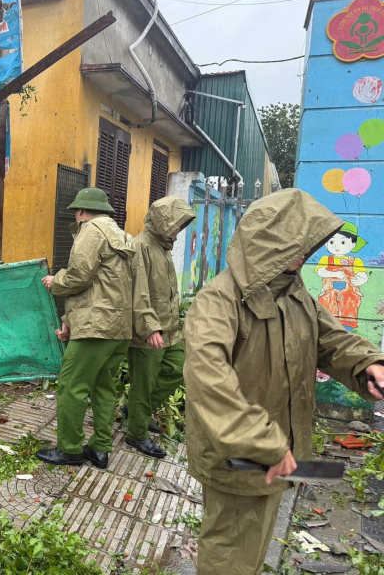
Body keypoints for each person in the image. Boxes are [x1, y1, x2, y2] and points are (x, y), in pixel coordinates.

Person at [183, 189, 384, 575]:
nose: (300, 256)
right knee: (231, 556)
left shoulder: (293, 291)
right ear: (265, 245)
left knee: (253, 545)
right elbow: (210, 381)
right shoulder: (218, 302)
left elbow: (330, 338)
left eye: (305, 246)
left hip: (278, 455)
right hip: (242, 458)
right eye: (292, 246)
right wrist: (263, 444)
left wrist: (366, 364)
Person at [36, 187, 136, 469]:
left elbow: (79, 277)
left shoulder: (91, 231)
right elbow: (103, 288)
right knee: (104, 386)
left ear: (80, 211)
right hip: (118, 329)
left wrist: (56, 281)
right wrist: (69, 322)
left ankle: (69, 449)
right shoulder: (122, 236)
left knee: (71, 386)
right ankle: (101, 448)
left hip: (95, 328)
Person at [125, 196, 195, 459]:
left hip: (170, 329)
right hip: (148, 332)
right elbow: (138, 292)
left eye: (180, 225)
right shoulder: (140, 246)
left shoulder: (163, 248)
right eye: (173, 225)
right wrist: (150, 327)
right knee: (143, 383)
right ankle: (136, 434)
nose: (177, 230)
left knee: (179, 368)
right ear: (160, 222)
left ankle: (135, 412)